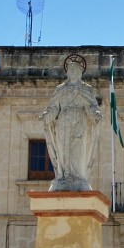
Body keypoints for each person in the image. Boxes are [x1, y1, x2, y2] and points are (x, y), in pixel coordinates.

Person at [40, 54, 103, 191]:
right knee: (64, 149)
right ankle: (64, 177)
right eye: (71, 70)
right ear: (68, 73)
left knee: (77, 149)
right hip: (63, 123)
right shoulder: (60, 89)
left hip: (79, 123)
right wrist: (48, 115)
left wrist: (95, 114)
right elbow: (54, 107)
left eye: (76, 70)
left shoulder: (86, 90)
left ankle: (78, 177)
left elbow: (91, 107)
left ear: (80, 73)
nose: (73, 73)